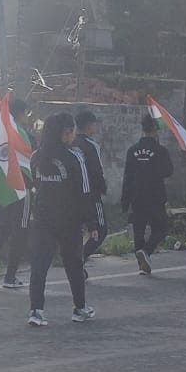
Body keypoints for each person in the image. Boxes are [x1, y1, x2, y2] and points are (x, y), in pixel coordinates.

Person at [27, 112, 93, 326]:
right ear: (66, 133)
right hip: (69, 220)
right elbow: (85, 192)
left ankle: (36, 311)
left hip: (43, 218)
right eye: (71, 131)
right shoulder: (74, 157)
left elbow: (33, 187)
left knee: (39, 266)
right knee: (74, 264)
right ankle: (80, 308)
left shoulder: (36, 157)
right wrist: (91, 223)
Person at [0, 99, 33, 289]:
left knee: (2, 226)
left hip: (0, 187)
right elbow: (31, 160)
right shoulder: (21, 134)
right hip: (21, 188)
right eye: (26, 113)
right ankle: (10, 276)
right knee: (21, 229)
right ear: (20, 113)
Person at [121, 113, 174, 274]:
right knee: (161, 227)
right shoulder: (160, 150)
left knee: (139, 229)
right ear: (155, 130)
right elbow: (168, 171)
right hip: (155, 196)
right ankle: (147, 251)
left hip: (137, 196)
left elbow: (127, 176)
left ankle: (141, 262)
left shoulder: (132, 151)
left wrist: (125, 201)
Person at [73, 110, 108, 263]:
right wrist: (102, 188)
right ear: (89, 125)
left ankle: (75, 260)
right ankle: (79, 260)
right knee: (100, 231)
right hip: (92, 195)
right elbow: (96, 171)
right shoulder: (91, 145)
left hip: (73, 195)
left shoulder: (71, 143)